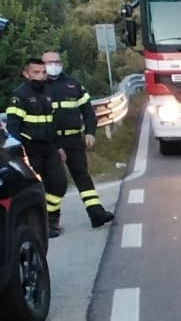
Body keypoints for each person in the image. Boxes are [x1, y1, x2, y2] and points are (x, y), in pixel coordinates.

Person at [40, 48, 114, 230]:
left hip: (73, 139)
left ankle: (96, 213)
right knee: (55, 182)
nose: (54, 66)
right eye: (49, 63)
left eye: (57, 62)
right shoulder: (37, 88)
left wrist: (90, 132)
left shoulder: (73, 85)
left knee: (82, 177)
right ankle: (51, 222)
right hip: (50, 143)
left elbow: (88, 112)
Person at [6, 58, 69, 236]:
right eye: (36, 72)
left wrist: (59, 147)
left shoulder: (47, 93)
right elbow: (13, 126)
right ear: (26, 74)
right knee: (35, 189)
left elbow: (52, 123)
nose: (41, 76)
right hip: (30, 149)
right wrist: (18, 152)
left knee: (58, 184)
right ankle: (37, 225)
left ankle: (51, 220)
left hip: (49, 148)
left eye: (43, 72)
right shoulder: (19, 95)